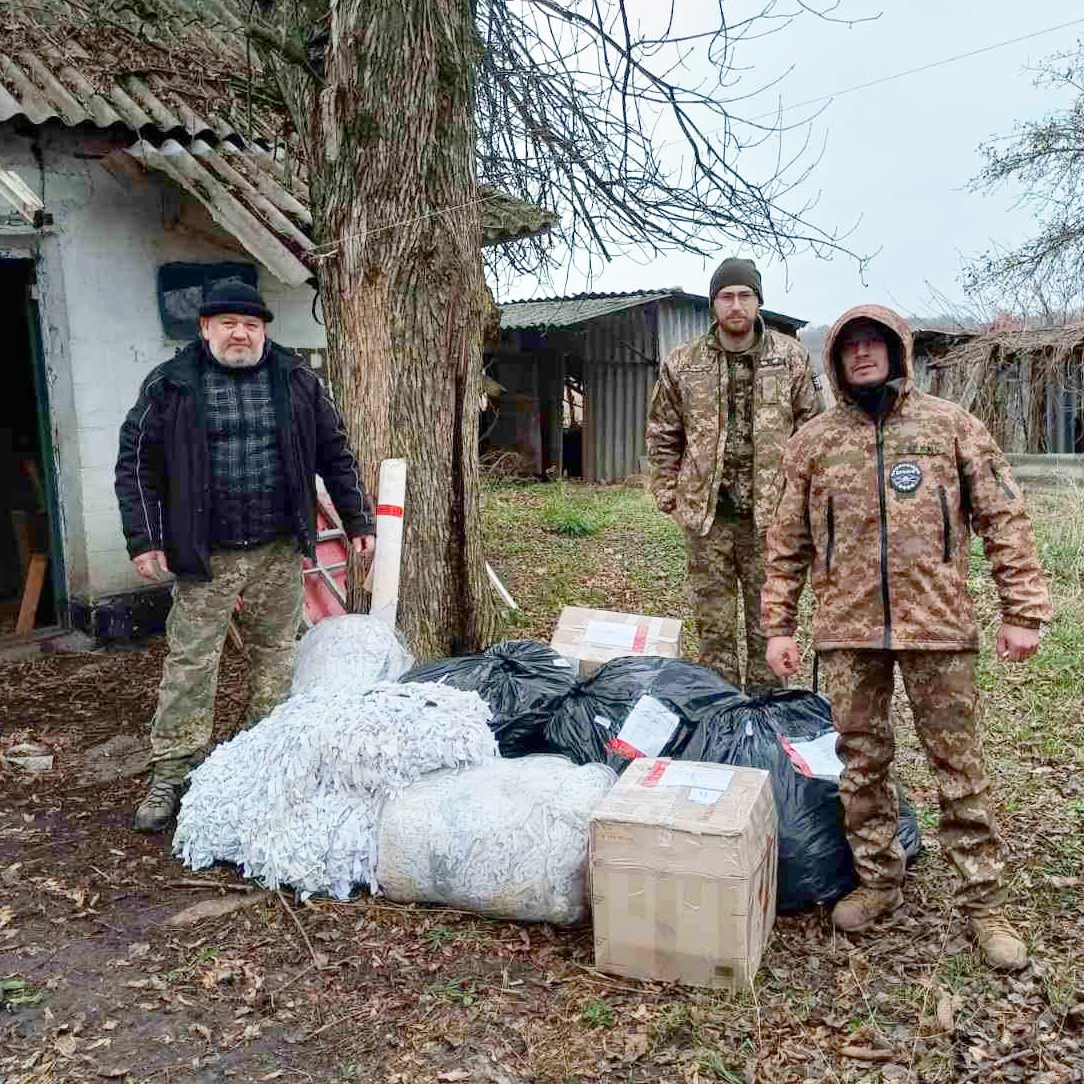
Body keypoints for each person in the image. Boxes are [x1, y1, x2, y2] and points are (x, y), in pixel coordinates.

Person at [760, 304, 1052, 970]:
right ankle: (878, 880)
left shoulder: (953, 428)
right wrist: (779, 624)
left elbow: (1006, 519)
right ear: (835, 360)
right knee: (860, 764)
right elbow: (785, 542)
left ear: (899, 351)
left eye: (876, 343)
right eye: (851, 346)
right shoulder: (812, 443)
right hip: (848, 628)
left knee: (959, 768)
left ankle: (985, 903)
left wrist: (1022, 609)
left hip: (938, 628)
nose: (864, 354)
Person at [115, 281, 376, 833]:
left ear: (264, 331)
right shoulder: (170, 384)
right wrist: (145, 539)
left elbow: (335, 451)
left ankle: (262, 755)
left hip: (278, 547)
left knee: (276, 654)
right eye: (228, 323)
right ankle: (173, 771)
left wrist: (357, 519)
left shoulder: (297, 379)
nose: (241, 333)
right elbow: (135, 464)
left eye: (252, 324)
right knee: (190, 662)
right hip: (203, 554)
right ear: (205, 328)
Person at [645, 257, 826, 693]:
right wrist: (671, 497)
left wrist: (805, 505)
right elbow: (662, 434)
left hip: (772, 522)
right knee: (714, 632)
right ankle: (720, 713)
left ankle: (766, 718)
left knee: (770, 624)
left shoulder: (790, 359)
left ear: (759, 301)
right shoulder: (683, 363)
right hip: (708, 522)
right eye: (726, 296)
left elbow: (813, 435)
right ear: (713, 304)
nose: (736, 305)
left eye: (745, 295)